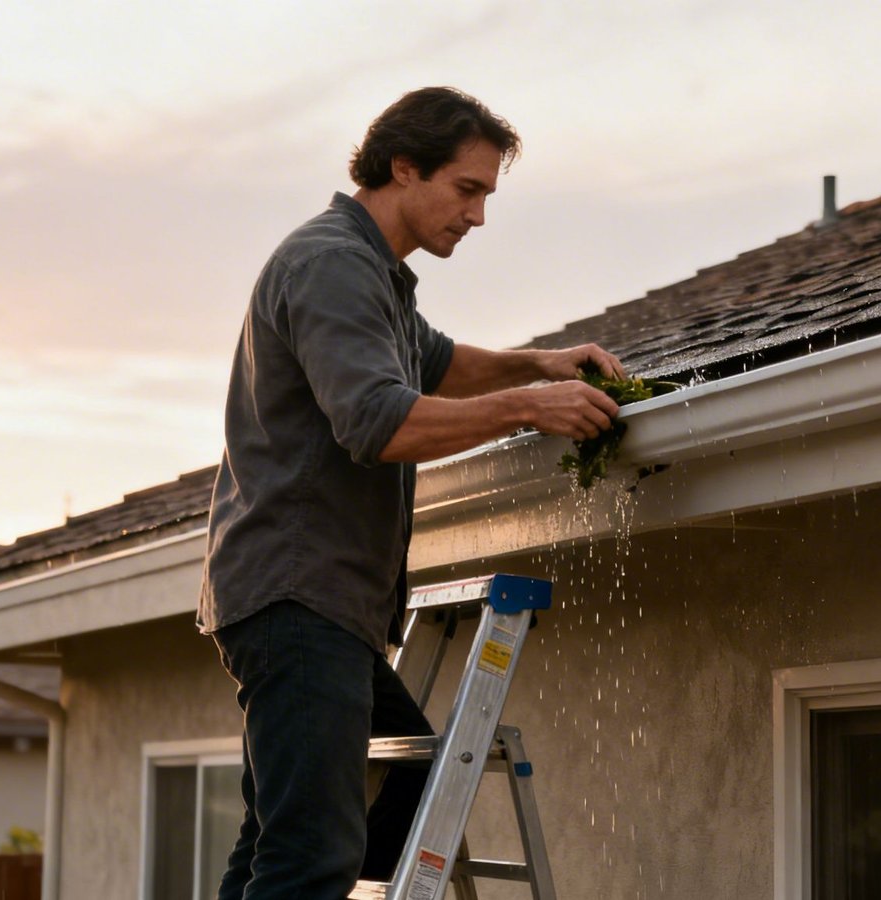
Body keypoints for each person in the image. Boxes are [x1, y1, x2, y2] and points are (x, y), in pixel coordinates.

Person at [198, 86, 625, 900]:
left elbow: (434, 362)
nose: (478, 216)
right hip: (298, 598)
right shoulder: (331, 263)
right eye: (467, 190)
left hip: (320, 607)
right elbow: (376, 420)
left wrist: (537, 364)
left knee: (312, 829)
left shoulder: (377, 277)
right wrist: (534, 407)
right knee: (309, 857)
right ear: (403, 167)